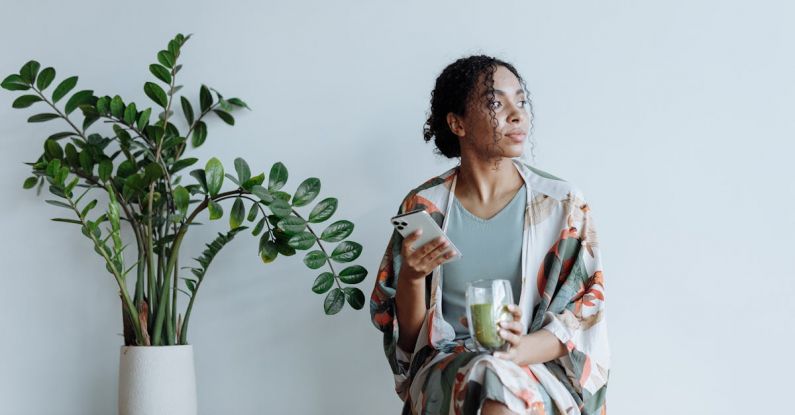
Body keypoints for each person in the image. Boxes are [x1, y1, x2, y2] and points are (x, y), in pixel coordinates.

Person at [369, 55, 610, 415]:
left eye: (521, 101)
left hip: (536, 367)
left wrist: (517, 349)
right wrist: (414, 278)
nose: (518, 114)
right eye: (497, 102)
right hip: (445, 368)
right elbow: (410, 342)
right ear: (458, 123)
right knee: (489, 372)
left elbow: (581, 319)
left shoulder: (561, 204)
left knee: (497, 376)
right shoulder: (424, 207)